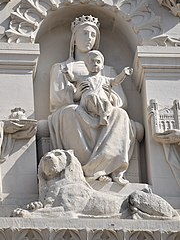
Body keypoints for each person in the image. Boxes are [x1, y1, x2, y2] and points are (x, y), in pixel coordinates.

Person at [48, 15, 136, 185]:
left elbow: (121, 101)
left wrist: (108, 95)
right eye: (84, 33)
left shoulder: (108, 71)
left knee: (121, 115)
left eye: (93, 35)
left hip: (104, 110)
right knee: (69, 112)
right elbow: (55, 99)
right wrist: (74, 95)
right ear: (74, 39)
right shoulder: (62, 68)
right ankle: (83, 169)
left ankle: (106, 168)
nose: (89, 38)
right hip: (76, 110)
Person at [60, 49, 133, 126]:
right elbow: (72, 79)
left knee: (106, 102)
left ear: (102, 66)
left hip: (102, 102)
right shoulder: (82, 78)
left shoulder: (105, 79)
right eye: (92, 61)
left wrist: (124, 73)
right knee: (92, 96)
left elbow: (116, 81)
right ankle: (102, 115)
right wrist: (66, 72)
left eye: (98, 62)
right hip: (87, 102)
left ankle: (103, 116)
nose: (95, 64)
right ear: (86, 65)